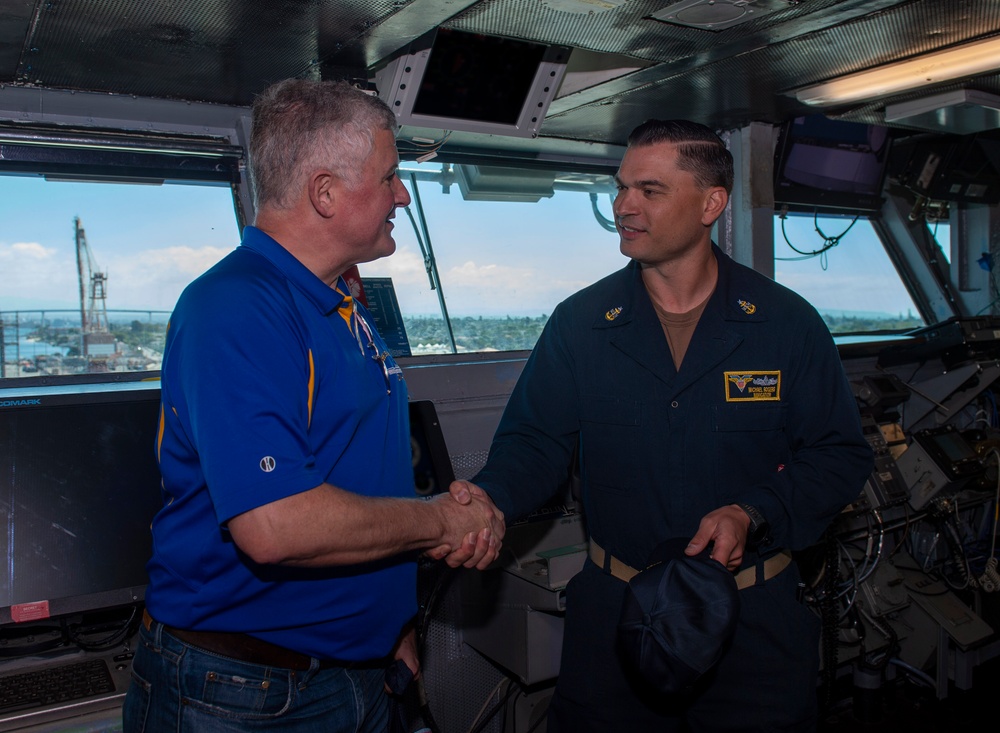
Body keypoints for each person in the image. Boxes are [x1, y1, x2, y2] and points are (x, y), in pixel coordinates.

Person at [461, 119, 874, 732]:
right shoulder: (581, 325)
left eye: (649, 191)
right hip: (618, 621)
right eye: (622, 187)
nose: (623, 206)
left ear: (712, 203)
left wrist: (752, 511)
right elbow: (534, 444)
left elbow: (839, 456)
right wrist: (488, 501)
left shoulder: (787, 325)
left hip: (751, 623)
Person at [122, 78, 504, 733]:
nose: (402, 195)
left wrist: (390, 626)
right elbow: (276, 526)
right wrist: (438, 522)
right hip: (244, 694)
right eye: (390, 177)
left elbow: (352, 474)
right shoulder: (237, 308)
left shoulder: (337, 299)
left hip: (354, 671)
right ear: (325, 192)